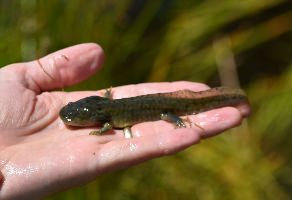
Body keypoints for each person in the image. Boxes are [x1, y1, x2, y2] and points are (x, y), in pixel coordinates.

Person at [0, 43, 250, 199]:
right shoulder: (103, 110)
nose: (69, 118)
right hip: (129, 105)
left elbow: (107, 124)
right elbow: (103, 110)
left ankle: (215, 104)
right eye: (72, 113)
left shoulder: (105, 117)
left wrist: (176, 121)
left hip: (163, 107)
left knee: (168, 113)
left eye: (75, 116)